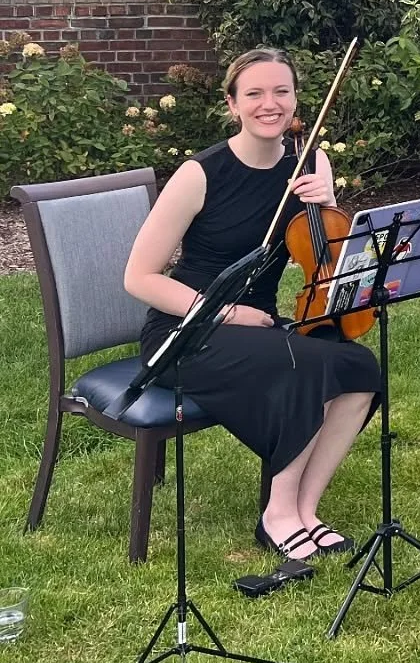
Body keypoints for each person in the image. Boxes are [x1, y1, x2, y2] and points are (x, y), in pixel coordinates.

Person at [124, 47, 381, 564]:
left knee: (358, 366)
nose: (271, 104)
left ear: (295, 99)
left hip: (260, 327)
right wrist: (224, 311)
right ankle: (277, 512)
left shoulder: (309, 163)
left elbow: (328, 253)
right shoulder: (201, 174)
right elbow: (139, 278)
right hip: (187, 330)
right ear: (232, 104)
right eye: (255, 94)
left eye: (281, 92)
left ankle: (307, 509)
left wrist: (327, 204)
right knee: (304, 364)